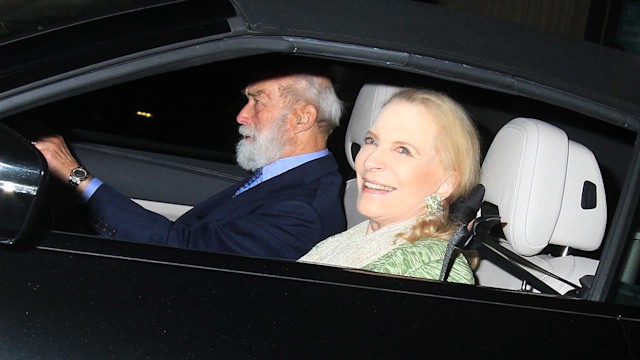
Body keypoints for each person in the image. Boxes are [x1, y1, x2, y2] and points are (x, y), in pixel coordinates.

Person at [35, 70, 347, 260]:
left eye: (258, 101)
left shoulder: (302, 208)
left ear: (302, 118)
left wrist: (76, 176)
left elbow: (182, 250)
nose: (242, 115)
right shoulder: (286, 177)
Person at [299, 88, 481, 284]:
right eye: (372, 141)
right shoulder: (351, 239)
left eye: (403, 150)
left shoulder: (434, 270)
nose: (371, 161)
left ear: (444, 185)